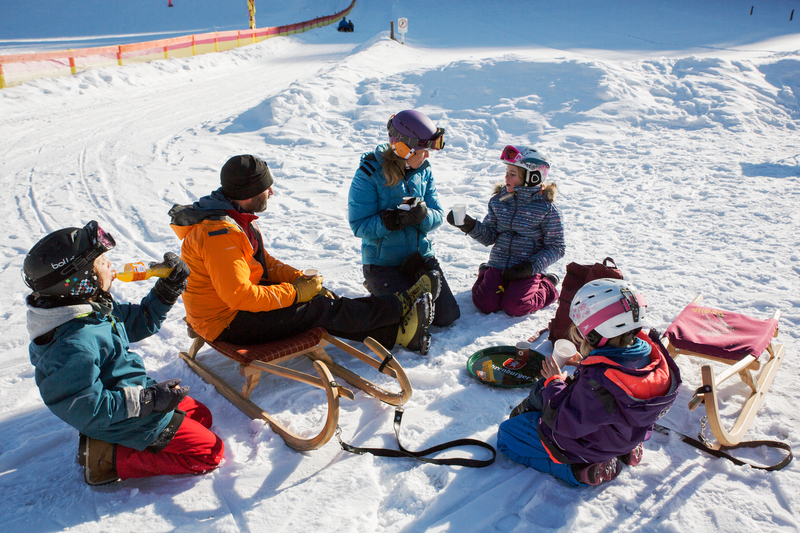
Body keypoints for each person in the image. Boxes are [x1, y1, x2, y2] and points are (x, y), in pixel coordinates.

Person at [169, 154, 440, 355]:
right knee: (316, 309)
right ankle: (399, 306)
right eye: (266, 187)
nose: (271, 191)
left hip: (234, 306)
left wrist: (299, 279)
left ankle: (397, 332)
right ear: (248, 193)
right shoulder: (219, 235)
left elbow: (263, 263)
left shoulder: (233, 219)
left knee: (322, 300)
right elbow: (240, 295)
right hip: (226, 322)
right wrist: (298, 293)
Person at [24, 221, 224, 485]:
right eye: (101, 262)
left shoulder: (87, 308)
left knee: (202, 416)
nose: (109, 265)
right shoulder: (72, 344)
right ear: (80, 281)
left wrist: (167, 289)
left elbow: (140, 320)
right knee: (210, 453)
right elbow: (84, 407)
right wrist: (148, 400)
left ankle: (111, 439)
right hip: (124, 413)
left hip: (130, 394)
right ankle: (108, 458)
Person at [496, 279, 681, 486]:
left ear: (596, 332)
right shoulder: (654, 357)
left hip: (591, 444)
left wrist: (554, 382)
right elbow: (619, 392)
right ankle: (626, 450)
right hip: (627, 434)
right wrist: (587, 363)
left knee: (507, 436)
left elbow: (565, 422)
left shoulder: (598, 381)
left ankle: (578, 470)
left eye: (582, 331)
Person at [348, 110, 460, 328]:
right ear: (402, 149)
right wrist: (390, 222)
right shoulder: (369, 173)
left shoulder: (423, 171)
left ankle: (395, 290)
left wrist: (423, 215)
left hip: (419, 258)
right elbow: (359, 226)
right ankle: (377, 286)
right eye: (422, 151)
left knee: (446, 316)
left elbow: (438, 214)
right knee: (406, 320)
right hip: (383, 264)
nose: (427, 156)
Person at [447, 145, 564, 317]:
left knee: (516, 306)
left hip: (526, 267)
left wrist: (531, 266)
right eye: (507, 171)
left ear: (532, 177)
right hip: (499, 263)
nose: (506, 177)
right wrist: (469, 225)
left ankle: (547, 284)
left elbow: (556, 247)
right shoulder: (499, 201)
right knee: (484, 303)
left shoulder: (547, 209)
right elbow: (490, 236)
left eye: (513, 174)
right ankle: (485, 272)